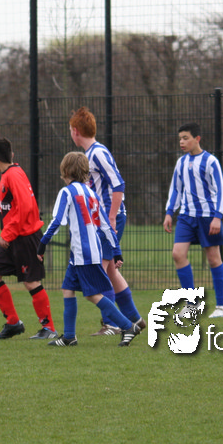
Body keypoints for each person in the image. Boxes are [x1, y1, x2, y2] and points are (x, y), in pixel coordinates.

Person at [39, 152, 141, 347]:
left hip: (83, 254)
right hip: (87, 252)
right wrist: (116, 250)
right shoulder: (91, 193)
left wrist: (42, 243)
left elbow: (57, 221)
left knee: (92, 295)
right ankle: (69, 337)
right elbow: (106, 225)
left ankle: (128, 326)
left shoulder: (67, 192)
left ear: (65, 170)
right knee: (68, 289)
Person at [69, 107, 145, 335]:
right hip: (103, 221)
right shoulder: (91, 154)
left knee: (99, 271)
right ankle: (135, 319)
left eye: (70, 130)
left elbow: (118, 184)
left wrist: (111, 217)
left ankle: (112, 324)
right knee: (110, 270)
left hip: (109, 220)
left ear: (76, 131)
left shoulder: (97, 153)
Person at [0, 138, 56, 340]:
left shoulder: (13, 175)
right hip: (12, 238)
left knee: (31, 282)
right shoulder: (9, 174)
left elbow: (24, 208)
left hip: (25, 237)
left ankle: (49, 328)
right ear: (12, 155)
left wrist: (7, 234)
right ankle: (13, 323)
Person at [163, 122, 223, 318]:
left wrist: (217, 217)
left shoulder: (211, 161)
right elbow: (176, 189)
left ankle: (221, 306)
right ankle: (191, 305)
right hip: (186, 217)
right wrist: (169, 212)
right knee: (178, 254)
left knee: (213, 258)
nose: (182, 142)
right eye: (180, 139)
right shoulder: (181, 162)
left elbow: (221, 190)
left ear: (197, 139)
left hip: (208, 217)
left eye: (186, 138)